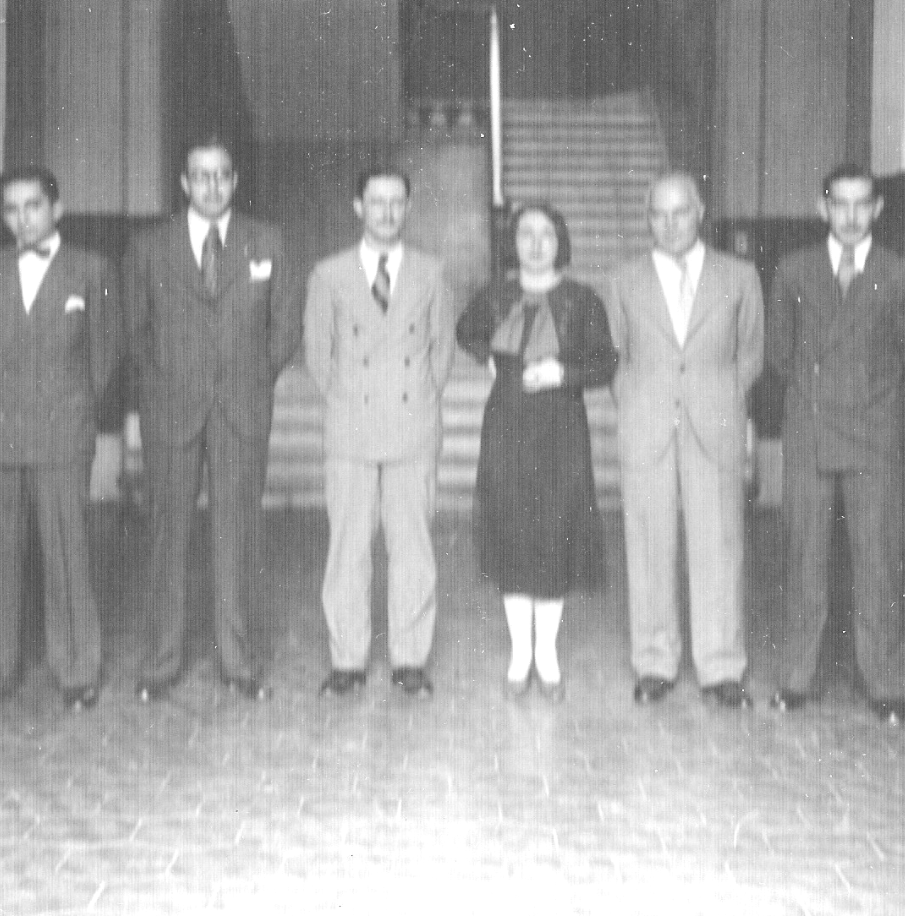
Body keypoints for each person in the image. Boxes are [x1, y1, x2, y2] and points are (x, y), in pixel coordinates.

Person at [126, 132, 303, 702]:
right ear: (183, 183)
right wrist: (160, 391)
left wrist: (254, 381)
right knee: (166, 536)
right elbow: (136, 331)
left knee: (238, 535)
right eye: (200, 175)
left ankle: (239, 661)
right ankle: (161, 662)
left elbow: (285, 328)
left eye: (221, 174)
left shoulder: (267, 241)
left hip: (240, 411)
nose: (211, 185)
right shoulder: (150, 246)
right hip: (171, 411)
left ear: (235, 180)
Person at [0, 167, 121, 711]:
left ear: (57, 208)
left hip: (61, 433)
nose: (22, 219)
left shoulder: (90, 269)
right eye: (11, 209)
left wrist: (72, 409)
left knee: (66, 550)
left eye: (32, 206)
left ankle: (77, 669)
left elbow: (104, 356)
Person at [765, 165, 905, 725]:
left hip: (876, 434)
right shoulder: (793, 270)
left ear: (878, 208)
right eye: (840, 204)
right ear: (821, 206)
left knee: (879, 558)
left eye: (862, 205)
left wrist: (870, 399)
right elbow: (779, 354)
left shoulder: (899, 274)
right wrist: (818, 393)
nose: (851, 216)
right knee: (805, 556)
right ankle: (796, 677)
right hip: (810, 429)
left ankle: (887, 683)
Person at [607, 171, 764, 709]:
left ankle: (721, 665)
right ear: (647, 217)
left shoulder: (739, 276)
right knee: (649, 544)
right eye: (658, 213)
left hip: (713, 425)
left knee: (720, 544)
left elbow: (750, 355)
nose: (670, 224)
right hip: (647, 426)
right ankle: (655, 661)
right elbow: (615, 358)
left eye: (681, 212)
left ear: (700, 211)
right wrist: (637, 403)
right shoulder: (624, 280)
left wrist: (724, 401)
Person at [304, 168, 456, 698]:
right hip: (351, 430)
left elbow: (443, 351)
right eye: (376, 202)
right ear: (357, 206)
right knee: (348, 547)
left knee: (412, 546)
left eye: (397, 203)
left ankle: (409, 658)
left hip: (412, 427)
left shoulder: (432, 273)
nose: (387, 212)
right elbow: (318, 356)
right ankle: (347, 658)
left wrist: (416, 398)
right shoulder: (328, 275)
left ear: (409, 208)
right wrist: (349, 402)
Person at [456, 203, 616, 702]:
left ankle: (545, 654)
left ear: (559, 242)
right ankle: (518, 654)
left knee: (553, 534)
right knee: (510, 531)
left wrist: (563, 374)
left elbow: (605, 361)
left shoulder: (582, 299)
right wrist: (490, 360)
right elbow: (467, 332)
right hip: (506, 424)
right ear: (514, 242)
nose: (536, 242)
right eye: (526, 232)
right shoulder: (496, 294)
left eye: (546, 233)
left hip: (560, 431)